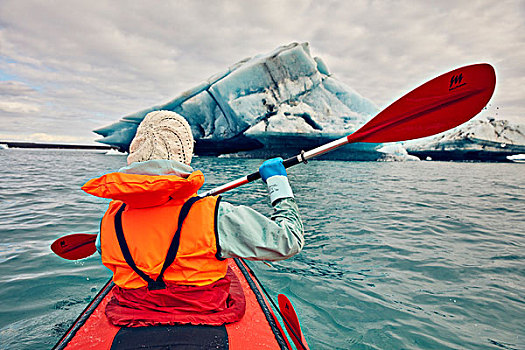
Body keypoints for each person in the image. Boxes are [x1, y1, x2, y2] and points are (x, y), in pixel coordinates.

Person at [82, 110, 304, 327]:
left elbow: (103, 250)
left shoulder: (111, 217)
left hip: (132, 313)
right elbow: (289, 241)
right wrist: (278, 185)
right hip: (204, 315)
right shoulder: (216, 215)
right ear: (184, 154)